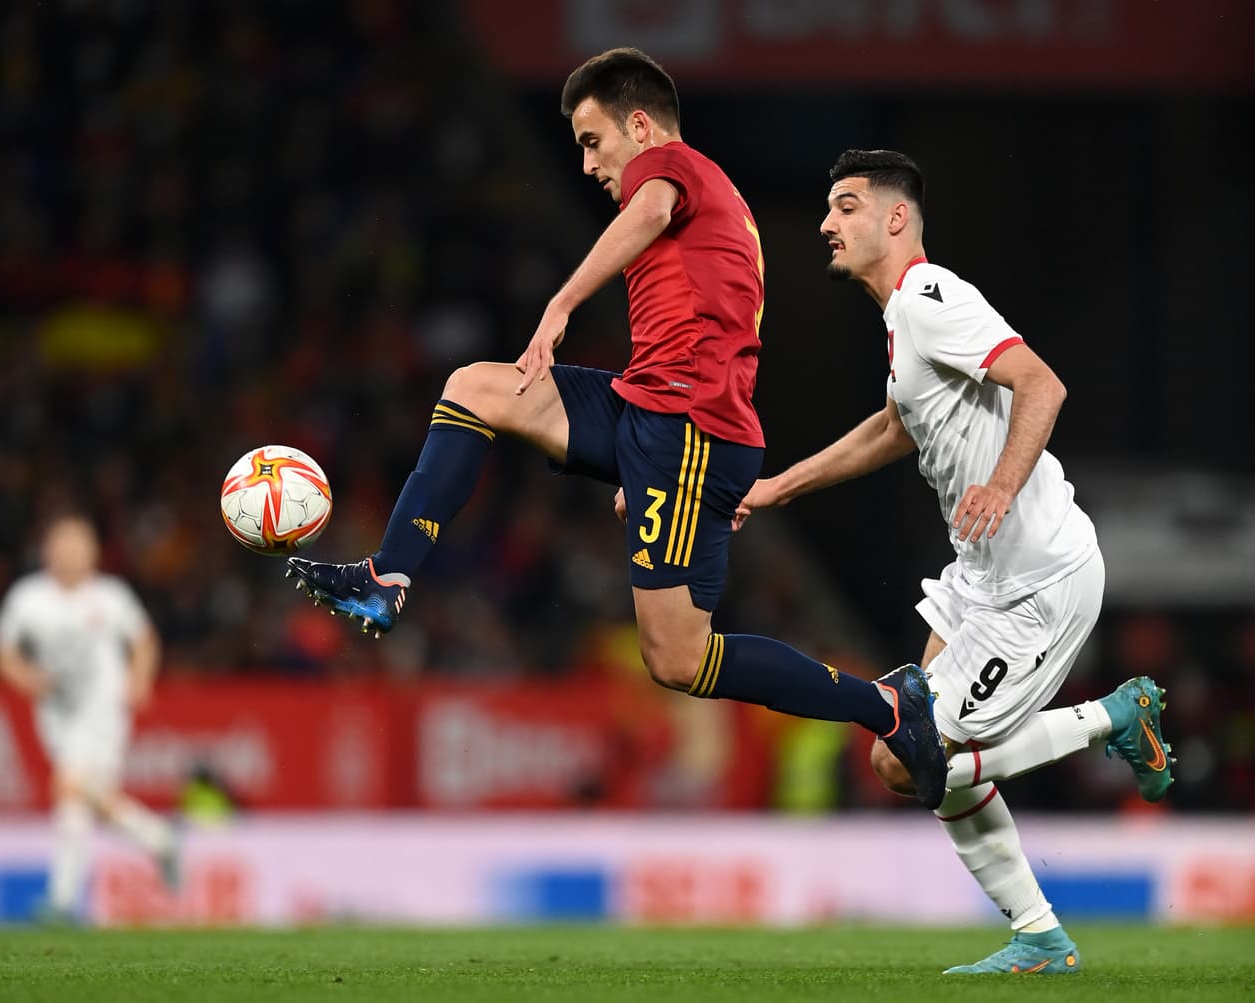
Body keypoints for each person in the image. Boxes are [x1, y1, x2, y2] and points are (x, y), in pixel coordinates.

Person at [285, 48, 948, 807]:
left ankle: (888, 705)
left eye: (593, 141)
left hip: (690, 427)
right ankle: (386, 577)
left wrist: (562, 303)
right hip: (650, 410)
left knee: (675, 658)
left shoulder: (670, 167)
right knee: (475, 388)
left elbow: (651, 210)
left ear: (638, 125)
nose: (590, 163)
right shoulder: (699, 192)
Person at [735, 149, 1173, 974]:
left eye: (846, 207)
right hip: (982, 576)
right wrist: (780, 487)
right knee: (899, 755)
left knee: (919, 752)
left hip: (1038, 576)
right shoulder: (905, 320)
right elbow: (894, 427)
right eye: (828, 209)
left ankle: (1114, 716)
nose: (827, 223)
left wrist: (1003, 485)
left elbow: (1041, 384)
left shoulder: (933, 297)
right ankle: (1039, 936)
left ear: (896, 218)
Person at [0, 514, 178, 921]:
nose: (70, 553)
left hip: (103, 706)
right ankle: (160, 839)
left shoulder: (111, 595)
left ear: (92, 553)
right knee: (91, 802)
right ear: (48, 551)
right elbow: (3, 651)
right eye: (62, 544)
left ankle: (61, 900)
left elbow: (144, 640)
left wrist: (139, 680)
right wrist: (25, 677)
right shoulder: (28, 597)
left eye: (78, 545)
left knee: (70, 787)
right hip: (55, 711)